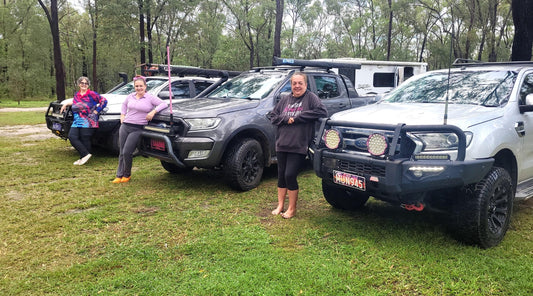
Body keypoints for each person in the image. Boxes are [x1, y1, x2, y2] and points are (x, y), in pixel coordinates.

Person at [269, 72, 328, 219]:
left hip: (298, 144)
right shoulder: (285, 99)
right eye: (294, 83)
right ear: (291, 85)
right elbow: (272, 116)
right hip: (282, 143)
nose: (297, 86)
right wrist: (285, 118)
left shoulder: (310, 98)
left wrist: (297, 118)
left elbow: (322, 111)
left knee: (290, 175)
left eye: (300, 83)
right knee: (281, 176)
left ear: (305, 84)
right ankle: (280, 205)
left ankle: (292, 209)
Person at [112, 75, 168, 183]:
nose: (139, 88)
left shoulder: (150, 97)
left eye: (141, 86)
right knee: (122, 151)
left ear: (145, 86)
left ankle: (127, 174)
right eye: (137, 86)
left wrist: (153, 112)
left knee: (127, 151)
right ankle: (119, 175)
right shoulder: (130, 96)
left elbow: (164, 103)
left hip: (137, 128)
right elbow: (124, 105)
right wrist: (122, 115)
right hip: (125, 126)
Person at [60, 76, 107, 165]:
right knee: (72, 137)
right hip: (77, 121)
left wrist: (97, 111)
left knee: (85, 138)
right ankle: (85, 154)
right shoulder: (77, 95)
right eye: (82, 83)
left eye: (86, 83)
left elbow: (104, 101)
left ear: (88, 85)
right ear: (79, 84)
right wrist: (66, 103)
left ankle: (83, 158)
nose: (84, 85)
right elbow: (75, 102)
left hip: (88, 121)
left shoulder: (92, 94)